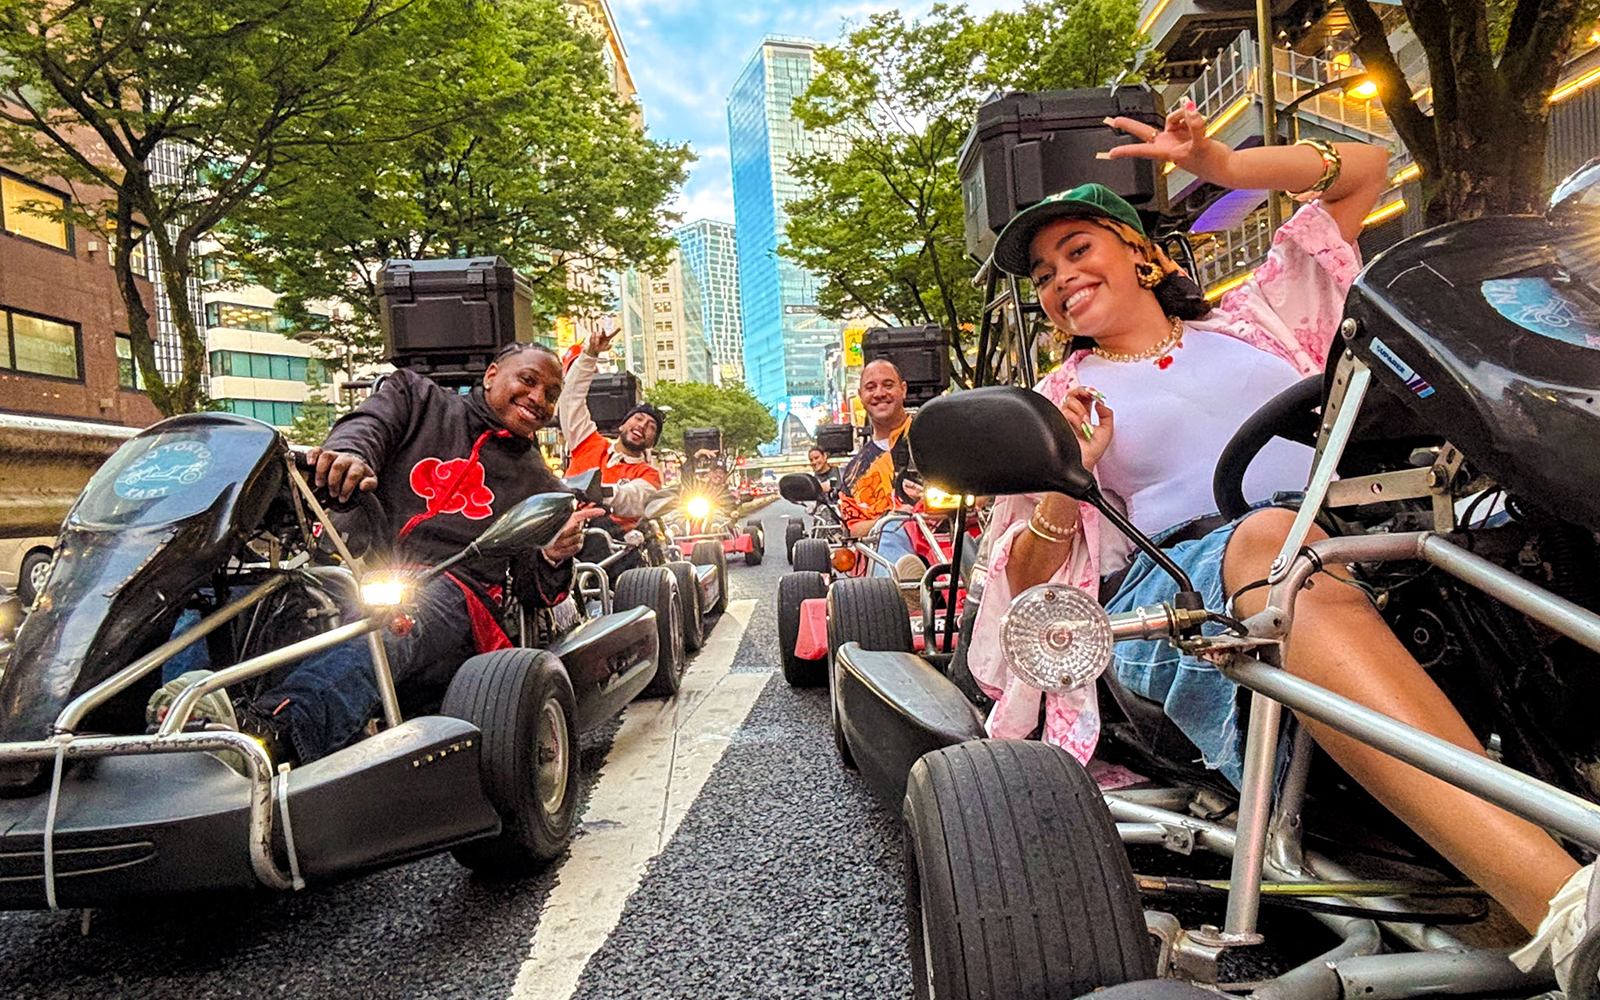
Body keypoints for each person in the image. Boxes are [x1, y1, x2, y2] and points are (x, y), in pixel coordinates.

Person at [964, 102, 1590, 984]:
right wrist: (1067, 476)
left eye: (1079, 248)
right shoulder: (1055, 399)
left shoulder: (1257, 317)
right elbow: (1025, 581)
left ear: (1141, 251)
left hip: (1375, 536)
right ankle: (1565, 911)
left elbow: (1365, 171)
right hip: (1187, 587)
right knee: (1271, 545)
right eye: (1042, 271)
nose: (1060, 276)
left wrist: (1224, 165)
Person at [156, 343, 601, 765]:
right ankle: (178, 709)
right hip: (345, 563)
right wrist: (350, 454)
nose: (539, 398)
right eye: (528, 380)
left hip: (452, 593)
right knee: (229, 589)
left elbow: (530, 586)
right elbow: (367, 426)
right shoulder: (416, 395)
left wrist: (553, 556)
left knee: (400, 613)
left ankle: (274, 734)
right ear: (490, 376)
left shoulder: (544, 485)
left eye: (551, 394)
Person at [561, 323, 666, 533]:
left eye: (651, 426)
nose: (642, 426)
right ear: (622, 425)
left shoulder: (648, 474)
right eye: (638, 418)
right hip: (562, 526)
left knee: (601, 529)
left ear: (652, 442)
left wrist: (603, 493)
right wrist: (590, 354)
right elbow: (570, 399)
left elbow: (634, 498)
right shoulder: (587, 442)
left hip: (612, 543)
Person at [836, 359, 924, 576]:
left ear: (902, 389)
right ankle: (905, 586)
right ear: (861, 396)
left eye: (887, 385)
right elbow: (853, 527)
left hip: (948, 537)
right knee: (888, 532)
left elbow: (977, 494)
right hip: (889, 553)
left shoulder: (933, 436)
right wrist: (892, 518)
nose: (879, 393)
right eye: (871, 387)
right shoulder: (855, 471)